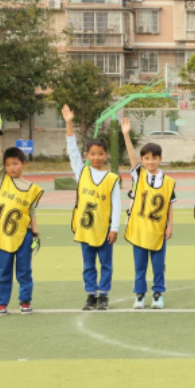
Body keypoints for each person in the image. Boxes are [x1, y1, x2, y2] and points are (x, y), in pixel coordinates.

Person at [63, 105, 121, 311]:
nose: (96, 157)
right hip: (85, 229)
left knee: (106, 264)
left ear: (106, 155)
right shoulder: (82, 172)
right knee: (88, 265)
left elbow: (116, 205)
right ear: (87, 155)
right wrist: (69, 123)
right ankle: (91, 294)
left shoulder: (112, 178)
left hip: (104, 230)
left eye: (100, 154)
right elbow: (72, 151)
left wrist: (114, 228)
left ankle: (103, 294)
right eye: (92, 154)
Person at [0, 113, 43, 316]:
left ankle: (25, 301)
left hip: (23, 235)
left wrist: (35, 234)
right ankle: (1, 303)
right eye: (8, 164)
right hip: (2, 234)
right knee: (2, 271)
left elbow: (32, 212)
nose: (11, 167)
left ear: (23, 163)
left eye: (15, 163)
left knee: (24, 271)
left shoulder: (31, 188)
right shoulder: (2, 180)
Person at [121, 117, 176, 310]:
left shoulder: (168, 182)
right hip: (139, 229)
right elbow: (131, 156)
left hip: (158, 231)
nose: (150, 161)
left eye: (154, 158)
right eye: (146, 158)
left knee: (158, 266)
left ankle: (158, 294)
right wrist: (126, 135)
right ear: (142, 160)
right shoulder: (139, 175)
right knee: (140, 266)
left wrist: (170, 225)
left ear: (160, 159)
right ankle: (139, 295)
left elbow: (169, 205)